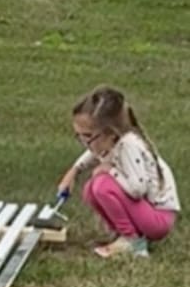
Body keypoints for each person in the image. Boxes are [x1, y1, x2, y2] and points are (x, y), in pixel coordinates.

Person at [59, 86, 179, 259]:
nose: (84, 143)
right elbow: (91, 154)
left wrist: (111, 171)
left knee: (102, 185)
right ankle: (123, 235)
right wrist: (74, 171)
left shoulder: (129, 146)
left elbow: (138, 189)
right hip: (147, 214)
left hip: (159, 219)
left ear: (109, 133)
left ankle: (133, 242)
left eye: (87, 136)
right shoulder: (112, 141)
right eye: (79, 136)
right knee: (90, 189)